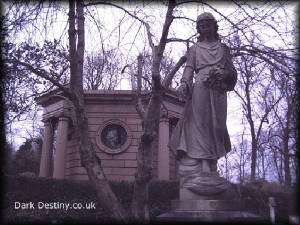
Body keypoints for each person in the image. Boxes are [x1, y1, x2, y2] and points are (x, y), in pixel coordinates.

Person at [169, 12, 237, 193]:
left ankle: (213, 163)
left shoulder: (224, 48)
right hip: (201, 88)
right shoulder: (195, 49)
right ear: (198, 29)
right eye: (201, 26)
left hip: (219, 89)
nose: (205, 28)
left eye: (208, 24)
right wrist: (184, 84)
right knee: (201, 126)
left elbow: (232, 72)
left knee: (218, 127)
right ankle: (206, 167)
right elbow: (189, 68)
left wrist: (224, 74)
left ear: (215, 26)